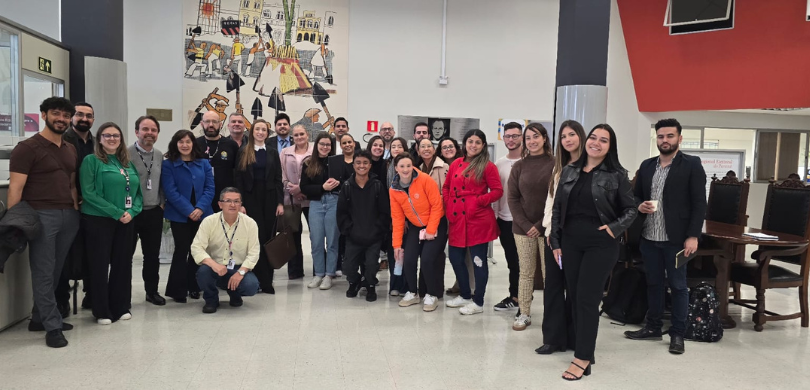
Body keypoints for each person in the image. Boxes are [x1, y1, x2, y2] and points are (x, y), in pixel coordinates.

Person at [550, 124, 637, 380]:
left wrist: (614, 228)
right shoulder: (569, 170)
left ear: (610, 147)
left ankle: (582, 357)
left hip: (600, 244)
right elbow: (557, 210)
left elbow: (630, 210)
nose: (596, 143)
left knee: (587, 299)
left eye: (604, 140)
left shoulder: (617, 175)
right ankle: (585, 348)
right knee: (576, 298)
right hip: (570, 243)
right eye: (593, 138)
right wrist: (556, 242)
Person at [625, 118, 707, 355]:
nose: (665, 140)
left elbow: (699, 204)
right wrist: (640, 206)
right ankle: (652, 326)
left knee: (678, 286)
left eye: (670, 136)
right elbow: (635, 197)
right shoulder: (648, 165)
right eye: (661, 136)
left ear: (679, 138)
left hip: (677, 241)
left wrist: (693, 236)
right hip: (649, 238)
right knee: (653, 283)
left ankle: (678, 334)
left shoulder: (692, 165)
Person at [9, 97, 80, 348]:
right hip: (41, 216)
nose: (61, 119)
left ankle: (38, 318)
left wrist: (73, 208)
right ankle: (53, 326)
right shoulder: (27, 148)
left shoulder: (69, 147)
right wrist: (15, 223)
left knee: (54, 270)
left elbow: (71, 183)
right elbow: (15, 189)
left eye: (65, 115)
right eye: (56, 114)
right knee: (43, 272)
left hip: (68, 216)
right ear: (43, 115)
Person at [80, 122, 143, 325]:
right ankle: (102, 310)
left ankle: (120, 305)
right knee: (99, 265)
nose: (112, 139)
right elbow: (89, 194)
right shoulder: (92, 161)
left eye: (116, 135)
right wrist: (117, 213)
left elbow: (137, 194)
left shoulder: (126, 162)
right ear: (99, 139)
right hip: (99, 221)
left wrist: (132, 212)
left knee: (122, 264)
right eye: (107, 135)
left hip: (126, 221)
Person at [536, 120, 586, 354]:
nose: (567, 139)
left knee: (575, 288)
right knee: (553, 287)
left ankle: (575, 337)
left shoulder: (590, 166)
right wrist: (548, 230)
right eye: (563, 136)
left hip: (577, 238)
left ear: (581, 137)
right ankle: (553, 339)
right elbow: (550, 202)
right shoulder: (558, 168)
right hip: (554, 236)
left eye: (572, 134)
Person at [443, 129, 503, 315]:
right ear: (465, 143)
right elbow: (446, 187)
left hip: (478, 219)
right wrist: (448, 204)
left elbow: (497, 191)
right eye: (470, 141)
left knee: (479, 261)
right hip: (457, 218)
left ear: (483, 145)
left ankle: (478, 301)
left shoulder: (488, 166)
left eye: (478, 142)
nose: (473, 145)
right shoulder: (456, 164)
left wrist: (479, 201)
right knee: (455, 258)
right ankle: (465, 295)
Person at [507, 123, 554, 331]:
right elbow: (513, 198)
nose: (532, 141)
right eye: (528, 138)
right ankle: (524, 313)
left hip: (548, 229)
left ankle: (552, 315)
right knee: (525, 273)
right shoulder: (519, 166)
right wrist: (527, 226)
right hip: (522, 230)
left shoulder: (556, 164)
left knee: (549, 273)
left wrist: (541, 226)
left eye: (536, 136)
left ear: (544, 138)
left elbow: (556, 199)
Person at [163, 130, 216, 303]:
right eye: (181, 142)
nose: (185, 145)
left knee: (198, 251)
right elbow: (170, 192)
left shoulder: (204, 163)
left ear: (193, 143)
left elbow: (210, 188)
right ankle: (177, 290)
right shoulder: (168, 164)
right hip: (180, 215)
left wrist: (200, 208)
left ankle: (195, 287)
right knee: (181, 250)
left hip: (203, 214)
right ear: (175, 144)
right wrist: (189, 210)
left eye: (188, 141)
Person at [390, 154, 446, 311]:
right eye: (402, 166)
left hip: (436, 224)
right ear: (396, 168)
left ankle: (431, 294)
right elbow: (397, 218)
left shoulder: (425, 180)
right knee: (408, 260)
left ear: (413, 166)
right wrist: (396, 245)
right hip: (416, 226)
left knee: (427, 260)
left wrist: (431, 229)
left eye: (408, 166)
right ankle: (413, 293)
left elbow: (437, 206)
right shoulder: (394, 190)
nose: (406, 169)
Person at [234, 119, 284, 295]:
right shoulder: (244, 151)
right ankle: (255, 278)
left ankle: (267, 281)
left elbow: (278, 178)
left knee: (268, 239)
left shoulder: (272, 152)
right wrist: (240, 204)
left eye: (264, 129)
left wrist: (280, 203)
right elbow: (238, 179)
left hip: (269, 198)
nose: (261, 132)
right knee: (255, 239)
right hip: (250, 198)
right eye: (258, 129)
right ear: (252, 131)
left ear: (267, 133)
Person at [192, 188, 261, 313]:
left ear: (241, 204)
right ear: (220, 204)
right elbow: (196, 248)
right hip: (214, 266)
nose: (233, 205)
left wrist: (240, 273)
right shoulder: (209, 221)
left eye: (236, 201)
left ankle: (234, 293)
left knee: (251, 285)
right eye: (228, 201)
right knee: (203, 273)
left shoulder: (250, 223)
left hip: (238, 267)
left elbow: (254, 253)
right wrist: (214, 265)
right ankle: (211, 299)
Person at [57, 101, 96, 313]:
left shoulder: (97, 143)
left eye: (88, 116)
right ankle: (62, 299)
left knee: (93, 251)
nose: (84, 119)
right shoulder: (62, 140)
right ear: (73, 117)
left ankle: (92, 294)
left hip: (94, 207)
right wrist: (76, 197)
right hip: (68, 205)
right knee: (65, 253)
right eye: (80, 115)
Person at [337, 151, 391, 302]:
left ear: (370, 166)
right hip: (353, 236)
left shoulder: (377, 186)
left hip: (373, 236)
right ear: (353, 165)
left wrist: (378, 230)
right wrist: (349, 230)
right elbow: (341, 213)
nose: (362, 166)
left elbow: (384, 212)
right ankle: (355, 281)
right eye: (358, 163)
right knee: (347, 267)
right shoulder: (347, 186)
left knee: (372, 265)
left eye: (365, 163)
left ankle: (370, 285)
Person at [128, 115, 166, 306]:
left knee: (152, 256)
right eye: (145, 129)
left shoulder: (159, 155)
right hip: (131, 213)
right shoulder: (125, 154)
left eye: (153, 130)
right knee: (125, 256)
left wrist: (161, 202)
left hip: (153, 212)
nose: (149, 133)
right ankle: (122, 293)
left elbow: (162, 181)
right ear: (137, 132)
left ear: (157, 134)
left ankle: (152, 291)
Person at [300, 133, 339, 289]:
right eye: (322, 144)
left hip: (333, 202)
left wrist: (338, 183)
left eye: (328, 145)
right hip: (315, 203)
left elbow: (345, 183)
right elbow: (304, 187)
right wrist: (322, 188)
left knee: (332, 241)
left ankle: (329, 274)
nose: (325, 147)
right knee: (316, 241)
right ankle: (318, 274)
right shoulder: (309, 163)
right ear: (316, 145)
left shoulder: (336, 162)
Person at [492, 122, 523, 313]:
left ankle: (523, 299)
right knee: (512, 262)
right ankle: (514, 296)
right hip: (504, 220)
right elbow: (496, 193)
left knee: (525, 264)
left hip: (525, 222)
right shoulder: (499, 164)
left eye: (515, 136)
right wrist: (495, 218)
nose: (511, 139)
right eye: (508, 136)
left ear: (522, 137)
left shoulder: (529, 161)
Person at [416, 138, 450, 298]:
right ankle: (424, 290)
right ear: (418, 151)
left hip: (439, 218)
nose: (426, 149)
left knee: (432, 255)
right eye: (422, 146)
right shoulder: (417, 168)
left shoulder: (443, 167)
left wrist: (429, 202)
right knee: (426, 255)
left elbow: (446, 194)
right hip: (421, 220)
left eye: (429, 146)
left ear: (434, 149)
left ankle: (434, 291)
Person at [437, 136, 470, 297]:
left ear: (456, 148)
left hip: (464, 215)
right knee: (454, 253)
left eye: (451, 146)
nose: (448, 149)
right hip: (446, 214)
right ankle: (460, 283)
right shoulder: (439, 167)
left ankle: (468, 286)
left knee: (467, 254)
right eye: (444, 147)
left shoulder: (464, 164)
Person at [281, 124, 313, 280]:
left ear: (307, 135)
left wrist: (302, 189)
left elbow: (317, 173)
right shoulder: (285, 152)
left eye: (302, 134)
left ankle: (318, 270)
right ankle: (295, 270)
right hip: (290, 200)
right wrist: (291, 188)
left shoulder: (314, 152)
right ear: (292, 137)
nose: (299, 137)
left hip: (311, 199)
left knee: (316, 234)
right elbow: (281, 175)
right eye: (296, 135)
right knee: (293, 235)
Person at [196, 111, 239, 213]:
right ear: (202, 124)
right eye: (207, 122)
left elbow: (237, 174)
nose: (211, 125)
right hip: (201, 198)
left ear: (220, 124)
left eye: (214, 122)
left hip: (225, 198)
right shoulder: (195, 144)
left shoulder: (231, 145)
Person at [329, 133, 357, 276]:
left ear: (354, 144)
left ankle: (351, 264)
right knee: (338, 234)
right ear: (341, 146)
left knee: (352, 233)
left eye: (349, 142)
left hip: (357, 202)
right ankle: (338, 265)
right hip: (339, 201)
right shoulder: (334, 161)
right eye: (344, 143)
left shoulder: (359, 160)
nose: (347, 145)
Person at [385, 136, 410, 295]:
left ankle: (406, 285)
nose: (396, 149)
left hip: (407, 218)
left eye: (399, 146)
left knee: (407, 253)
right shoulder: (386, 166)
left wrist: (406, 218)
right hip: (390, 216)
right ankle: (394, 285)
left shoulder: (409, 168)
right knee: (393, 252)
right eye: (393, 146)